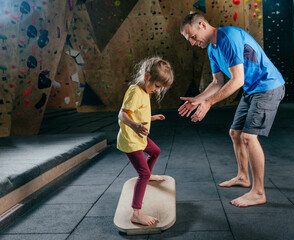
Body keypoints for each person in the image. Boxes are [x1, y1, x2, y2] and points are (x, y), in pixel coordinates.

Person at [179, 12, 285, 207]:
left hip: (268, 86)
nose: (193, 43)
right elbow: (217, 82)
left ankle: (258, 192)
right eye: (189, 40)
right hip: (251, 89)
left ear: (202, 25)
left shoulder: (229, 37)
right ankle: (243, 177)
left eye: (192, 37)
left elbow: (237, 80)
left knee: (248, 137)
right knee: (235, 133)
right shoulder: (212, 48)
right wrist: (197, 100)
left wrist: (209, 103)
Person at [117, 57, 174, 225]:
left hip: (139, 136)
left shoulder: (145, 91)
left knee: (155, 151)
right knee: (143, 173)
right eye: (157, 86)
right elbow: (122, 114)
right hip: (131, 140)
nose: (157, 90)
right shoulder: (135, 91)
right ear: (147, 76)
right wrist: (134, 125)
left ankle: (147, 176)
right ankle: (136, 213)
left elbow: (137, 113)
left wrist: (151, 118)